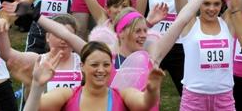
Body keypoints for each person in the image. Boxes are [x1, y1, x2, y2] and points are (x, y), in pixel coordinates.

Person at [23, 41, 165, 111]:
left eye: (106, 64)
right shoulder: (67, 95)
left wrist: (152, 91)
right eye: (94, 65)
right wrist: (37, 85)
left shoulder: (123, 95)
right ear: (82, 67)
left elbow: (146, 103)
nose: (101, 70)